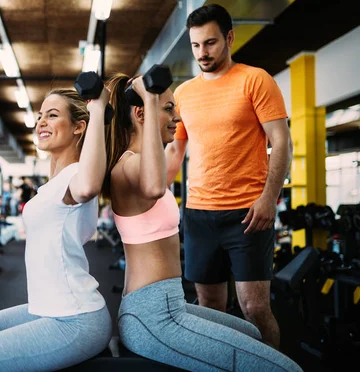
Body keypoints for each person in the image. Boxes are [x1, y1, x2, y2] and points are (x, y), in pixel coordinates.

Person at [104, 73, 302, 371]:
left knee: (253, 333)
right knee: (286, 369)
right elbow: (155, 187)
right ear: (141, 112)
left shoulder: (141, 163)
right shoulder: (129, 165)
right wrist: (148, 95)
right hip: (153, 314)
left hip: (170, 305)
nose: (178, 116)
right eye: (168, 108)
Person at [0, 88, 113, 371]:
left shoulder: (77, 175)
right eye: (40, 116)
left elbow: (89, 185)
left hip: (75, 319)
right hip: (49, 309)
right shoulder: (52, 184)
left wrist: (97, 110)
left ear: (78, 128)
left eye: (53, 115)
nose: (41, 122)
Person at [165, 4, 293, 350]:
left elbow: (281, 141)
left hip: (248, 214)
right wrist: (152, 193)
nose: (201, 53)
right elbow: (176, 151)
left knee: (254, 307)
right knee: (208, 308)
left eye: (209, 43)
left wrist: (270, 197)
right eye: (195, 46)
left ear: (230, 38)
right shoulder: (184, 94)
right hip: (199, 215)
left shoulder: (255, 80)